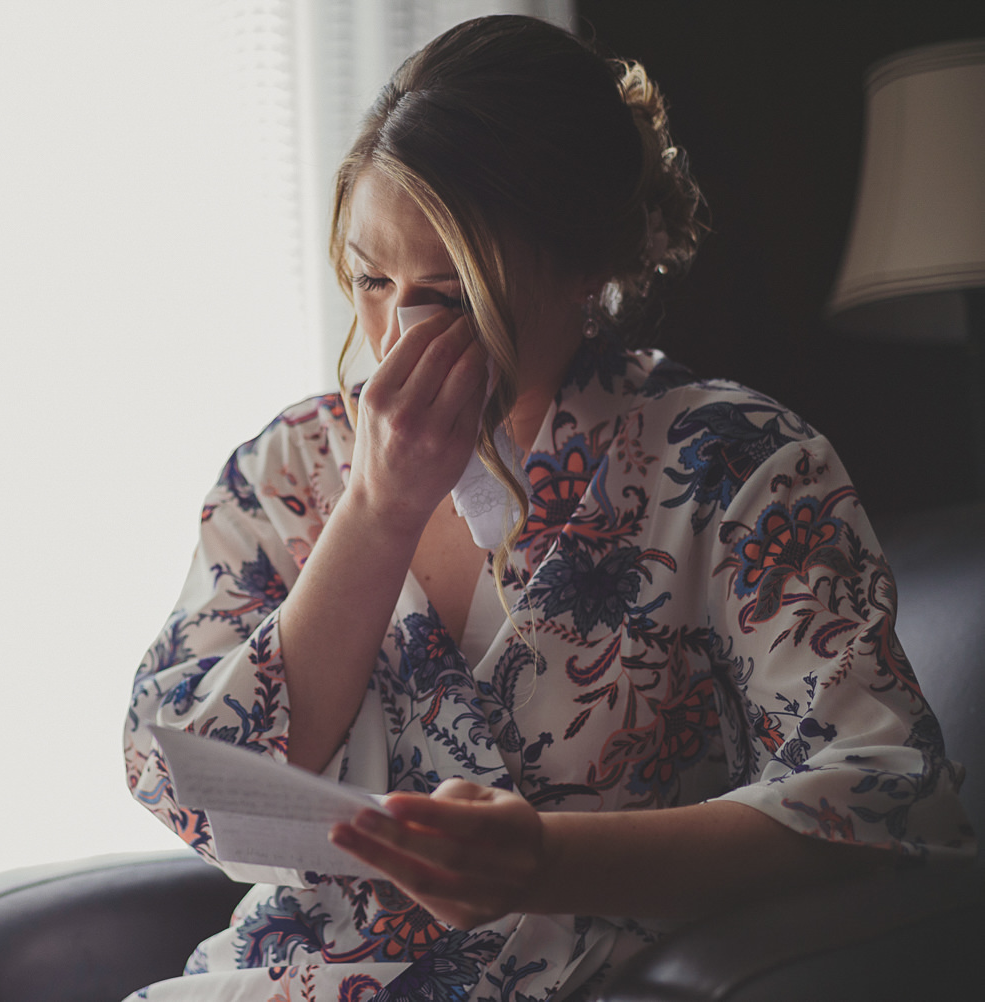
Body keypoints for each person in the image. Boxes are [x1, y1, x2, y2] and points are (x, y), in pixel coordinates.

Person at [122, 15, 974, 1001]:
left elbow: (885, 793)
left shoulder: (734, 464)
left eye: (449, 291)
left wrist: (550, 861)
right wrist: (376, 510)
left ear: (586, 274)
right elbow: (183, 779)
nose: (396, 335)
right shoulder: (292, 468)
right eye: (370, 279)